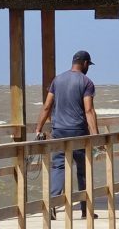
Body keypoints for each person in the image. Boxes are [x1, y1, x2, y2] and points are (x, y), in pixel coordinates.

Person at [34, 50, 100, 219]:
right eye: (88, 65)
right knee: (83, 170)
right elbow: (89, 110)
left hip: (58, 131)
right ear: (85, 63)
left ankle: (52, 207)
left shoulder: (57, 80)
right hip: (78, 132)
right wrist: (96, 136)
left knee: (58, 168)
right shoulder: (86, 82)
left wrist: (38, 129)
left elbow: (47, 106)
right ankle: (86, 210)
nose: (88, 68)